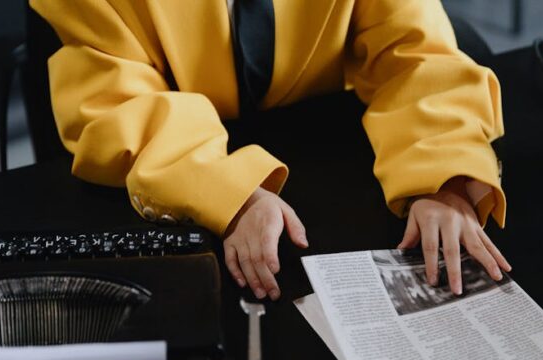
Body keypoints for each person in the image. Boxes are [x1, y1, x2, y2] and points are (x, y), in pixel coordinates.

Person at [30, 0, 512, 301]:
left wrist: (443, 179)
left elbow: (415, 56)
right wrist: (229, 191)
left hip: (322, 153)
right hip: (178, 175)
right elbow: (120, 105)